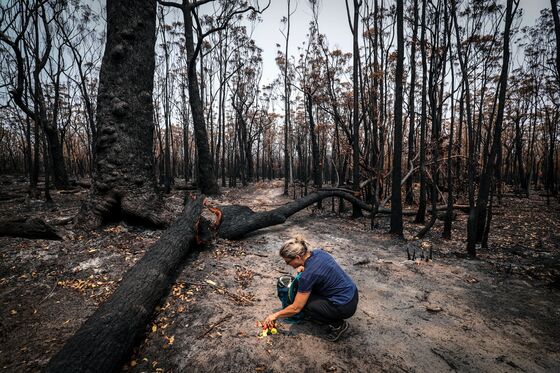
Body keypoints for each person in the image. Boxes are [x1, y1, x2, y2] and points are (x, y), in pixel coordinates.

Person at [264, 234, 359, 342]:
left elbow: (296, 308)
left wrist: (275, 315)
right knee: (306, 294)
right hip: (353, 294)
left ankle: (338, 325)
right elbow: (317, 268)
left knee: (304, 304)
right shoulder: (318, 253)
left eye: (288, 262)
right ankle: (326, 313)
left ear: (298, 257)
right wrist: (304, 267)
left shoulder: (308, 276)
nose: (287, 264)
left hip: (344, 306)